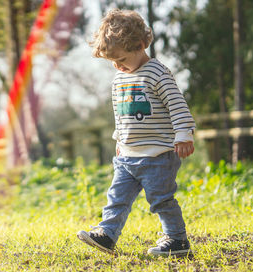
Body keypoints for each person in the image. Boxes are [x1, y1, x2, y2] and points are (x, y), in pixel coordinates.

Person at [76, 9, 196, 257]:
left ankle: (176, 239)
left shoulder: (157, 73)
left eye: (121, 59)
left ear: (140, 45)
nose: (118, 65)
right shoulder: (120, 78)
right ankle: (107, 234)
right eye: (113, 62)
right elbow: (121, 113)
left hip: (158, 155)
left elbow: (177, 104)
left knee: (161, 200)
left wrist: (183, 134)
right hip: (127, 156)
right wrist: (120, 139)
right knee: (116, 197)